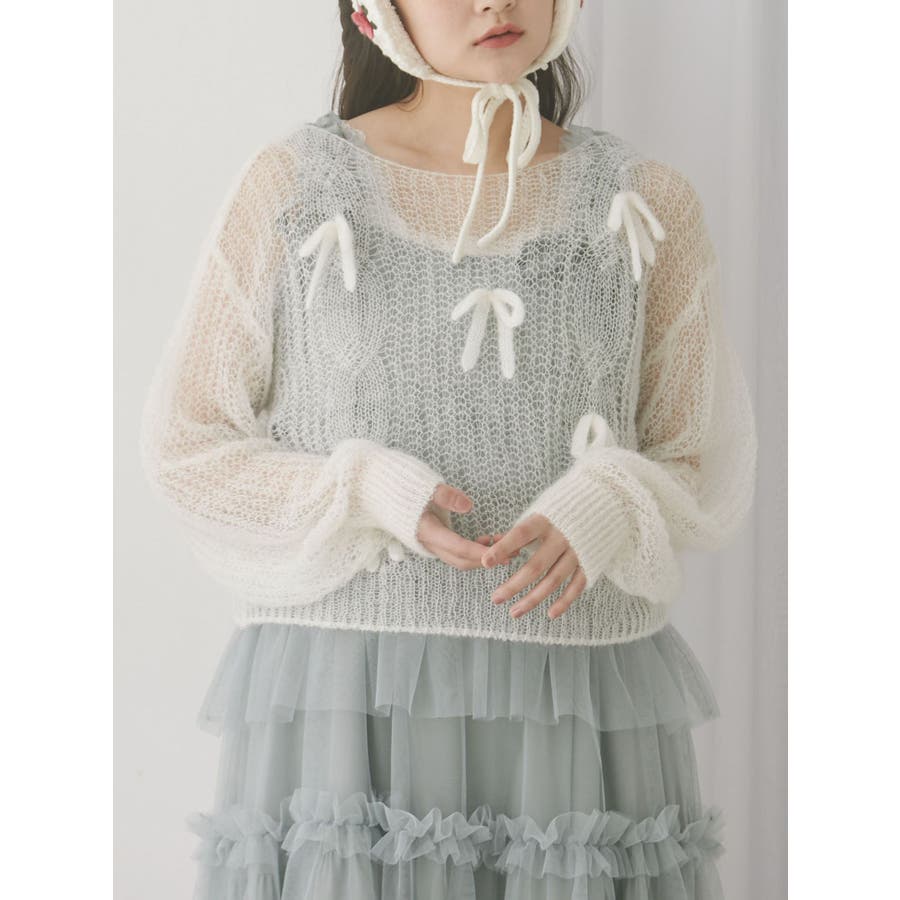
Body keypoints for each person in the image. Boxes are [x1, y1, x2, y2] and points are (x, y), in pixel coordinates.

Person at [138, 1, 758, 897]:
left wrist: (611, 501)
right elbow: (187, 444)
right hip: (350, 699)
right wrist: (362, 489)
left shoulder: (644, 202)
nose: (492, 3)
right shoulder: (296, 186)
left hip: (574, 701)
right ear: (375, 13)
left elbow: (705, 457)